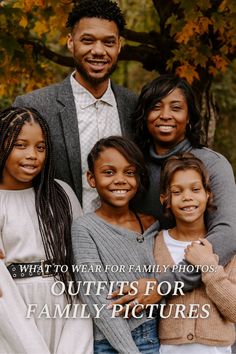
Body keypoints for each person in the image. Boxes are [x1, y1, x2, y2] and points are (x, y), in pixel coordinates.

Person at [109, 74, 236, 309]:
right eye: (156, 107)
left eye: (176, 108)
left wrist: (163, 285)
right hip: (143, 296)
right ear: (145, 115)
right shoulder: (132, 167)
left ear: (188, 117)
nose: (165, 115)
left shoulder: (213, 165)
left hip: (203, 301)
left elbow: (227, 235)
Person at [13, 0, 137, 213]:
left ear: (119, 46)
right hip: (54, 239)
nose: (98, 51)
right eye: (87, 40)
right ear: (71, 42)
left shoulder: (135, 107)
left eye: (108, 42)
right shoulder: (33, 106)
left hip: (124, 237)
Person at [0, 107, 93, 354]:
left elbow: (83, 265)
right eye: (21, 145)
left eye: (40, 147)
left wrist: (77, 339)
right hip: (13, 314)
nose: (33, 155)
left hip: (66, 304)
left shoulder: (61, 194)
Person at [72, 136, 160, 354]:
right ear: (91, 179)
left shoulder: (151, 225)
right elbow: (97, 298)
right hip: (109, 342)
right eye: (109, 172)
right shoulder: (85, 228)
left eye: (129, 172)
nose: (120, 180)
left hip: (152, 335)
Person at [154, 153, 236, 354]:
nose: (187, 197)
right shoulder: (155, 244)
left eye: (195, 189)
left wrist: (208, 265)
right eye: (177, 191)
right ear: (165, 199)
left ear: (208, 194)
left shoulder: (225, 247)